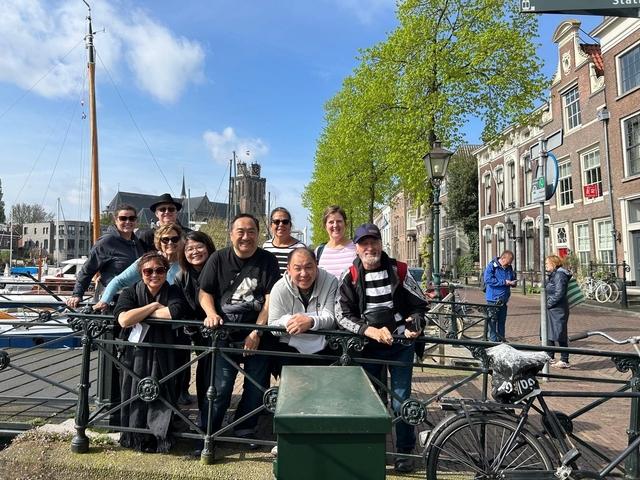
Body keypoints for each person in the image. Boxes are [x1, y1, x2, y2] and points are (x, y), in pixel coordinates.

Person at [335, 223, 428, 473]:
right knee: (372, 400)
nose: (369, 247)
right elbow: (341, 315)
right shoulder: (350, 276)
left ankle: (404, 450)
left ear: (380, 244)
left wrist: (417, 321)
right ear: (356, 248)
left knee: (401, 400)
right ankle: (373, 449)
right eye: (363, 243)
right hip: (368, 347)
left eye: (373, 242)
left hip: (400, 345)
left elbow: (420, 303)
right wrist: (369, 330)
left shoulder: (400, 270)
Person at [198, 213, 280, 448]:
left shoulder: (268, 261)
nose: (246, 237)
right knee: (221, 388)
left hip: (256, 335)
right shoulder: (218, 258)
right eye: (241, 232)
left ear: (258, 234)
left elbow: (270, 298)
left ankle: (245, 428)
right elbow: (204, 291)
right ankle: (207, 431)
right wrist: (211, 313)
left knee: (255, 388)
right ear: (232, 234)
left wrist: (256, 331)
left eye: (251, 232)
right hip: (225, 334)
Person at [113, 252, 186, 453]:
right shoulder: (130, 292)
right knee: (134, 389)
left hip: (165, 353)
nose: (154, 274)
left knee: (162, 390)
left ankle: (159, 435)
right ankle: (135, 435)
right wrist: (153, 306)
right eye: (148, 271)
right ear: (141, 273)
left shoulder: (174, 291)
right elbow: (124, 319)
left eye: (160, 270)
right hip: (135, 353)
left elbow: (173, 312)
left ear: (166, 271)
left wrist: (139, 313)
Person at [268, 248, 338, 371]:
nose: (304, 274)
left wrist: (310, 321)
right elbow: (273, 325)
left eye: (309, 267)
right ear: (288, 269)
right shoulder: (279, 288)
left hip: (324, 347)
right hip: (289, 347)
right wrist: (290, 321)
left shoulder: (330, 281)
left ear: (316, 266)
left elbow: (331, 319)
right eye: (297, 268)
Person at [66, 203, 145, 308]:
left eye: (132, 218)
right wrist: (77, 294)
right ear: (116, 220)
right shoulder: (107, 242)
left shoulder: (135, 241)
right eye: (123, 218)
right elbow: (88, 270)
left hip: (134, 298)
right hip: (112, 300)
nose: (128, 222)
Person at [92, 223, 183, 312]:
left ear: (180, 241)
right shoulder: (147, 261)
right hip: (147, 316)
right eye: (165, 240)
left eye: (175, 239)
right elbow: (119, 281)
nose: (170, 243)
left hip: (176, 316)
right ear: (159, 242)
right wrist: (104, 301)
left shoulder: (186, 263)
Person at [174, 230, 217, 410]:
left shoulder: (220, 270)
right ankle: (204, 412)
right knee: (204, 370)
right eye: (189, 249)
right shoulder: (181, 277)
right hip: (198, 330)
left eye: (199, 246)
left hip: (219, 326)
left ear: (208, 247)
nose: (195, 252)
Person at [484, 250, 517, 342]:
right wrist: (504, 282)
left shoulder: (509, 268)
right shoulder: (492, 266)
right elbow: (488, 280)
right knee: (493, 320)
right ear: (502, 258)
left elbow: (511, 278)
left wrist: (513, 282)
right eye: (508, 262)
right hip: (493, 298)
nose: (509, 264)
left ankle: (502, 339)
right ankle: (493, 341)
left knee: (502, 320)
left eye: (510, 262)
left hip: (504, 298)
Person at [545, 255, 572, 369]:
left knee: (560, 334)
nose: (545, 265)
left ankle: (564, 359)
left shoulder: (560, 275)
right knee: (549, 332)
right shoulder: (553, 275)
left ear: (553, 264)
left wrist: (549, 303)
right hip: (552, 308)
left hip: (558, 309)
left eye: (547, 263)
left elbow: (560, 293)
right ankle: (550, 356)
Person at [316, 205, 357, 278]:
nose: (335, 225)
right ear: (325, 226)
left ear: (345, 224)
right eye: (331, 222)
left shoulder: (357, 248)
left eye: (339, 221)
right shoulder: (318, 252)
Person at [262, 207, 306, 274]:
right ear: (271, 226)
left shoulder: (300, 248)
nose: (281, 225)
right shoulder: (266, 246)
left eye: (285, 222)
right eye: (276, 222)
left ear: (290, 225)